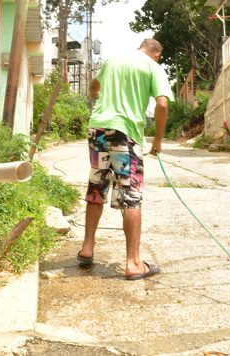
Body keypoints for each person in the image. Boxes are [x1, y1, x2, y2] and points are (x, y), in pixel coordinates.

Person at [77, 38, 172, 280]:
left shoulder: (113, 60)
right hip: (125, 133)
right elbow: (162, 104)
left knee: (96, 187)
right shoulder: (153, 67)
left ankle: (87, 249)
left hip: (97, 129)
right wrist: (157, 141)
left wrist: (102, 100)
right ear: (156, 54)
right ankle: (133, 263)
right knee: (131, 197)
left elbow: (94, 87)